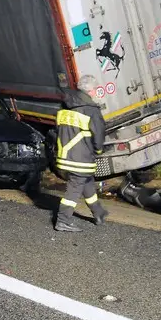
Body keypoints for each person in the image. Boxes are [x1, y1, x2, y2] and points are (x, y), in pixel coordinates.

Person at [54, 77, 109, 232]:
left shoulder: (66, 105)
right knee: (75, 187)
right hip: (80, 158)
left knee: (87, 183)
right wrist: (98, 150)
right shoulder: (91, 110)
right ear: (91, 91)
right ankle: (63, 220)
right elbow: (98, 135)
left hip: (65, 155)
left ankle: (98, 213)